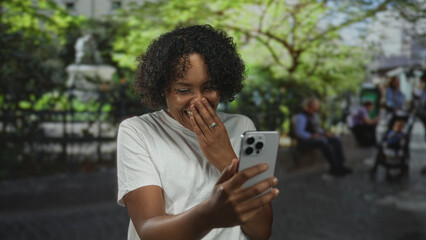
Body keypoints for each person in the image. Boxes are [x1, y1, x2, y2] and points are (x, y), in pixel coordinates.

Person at [116, 25, 279, 240]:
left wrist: (225, 157)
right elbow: (148, 231)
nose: (199, 101)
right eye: (184, 90)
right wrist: (209, 216)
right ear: (163, 88)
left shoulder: (242, 127)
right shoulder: (139, 131)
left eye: (209, 88)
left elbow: (261, 231)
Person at [294, 98, 352, 177]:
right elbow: (299, 132)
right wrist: (310, 136)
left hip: (317, 137)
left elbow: (318, 128)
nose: (318, 106)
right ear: (311, 105)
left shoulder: (315, 115)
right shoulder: (301, 116)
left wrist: (325, 133)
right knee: (323, 142)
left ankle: (340, 165)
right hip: (306, 140)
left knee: (336, 139)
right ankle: (334, 167)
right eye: (316, 104)